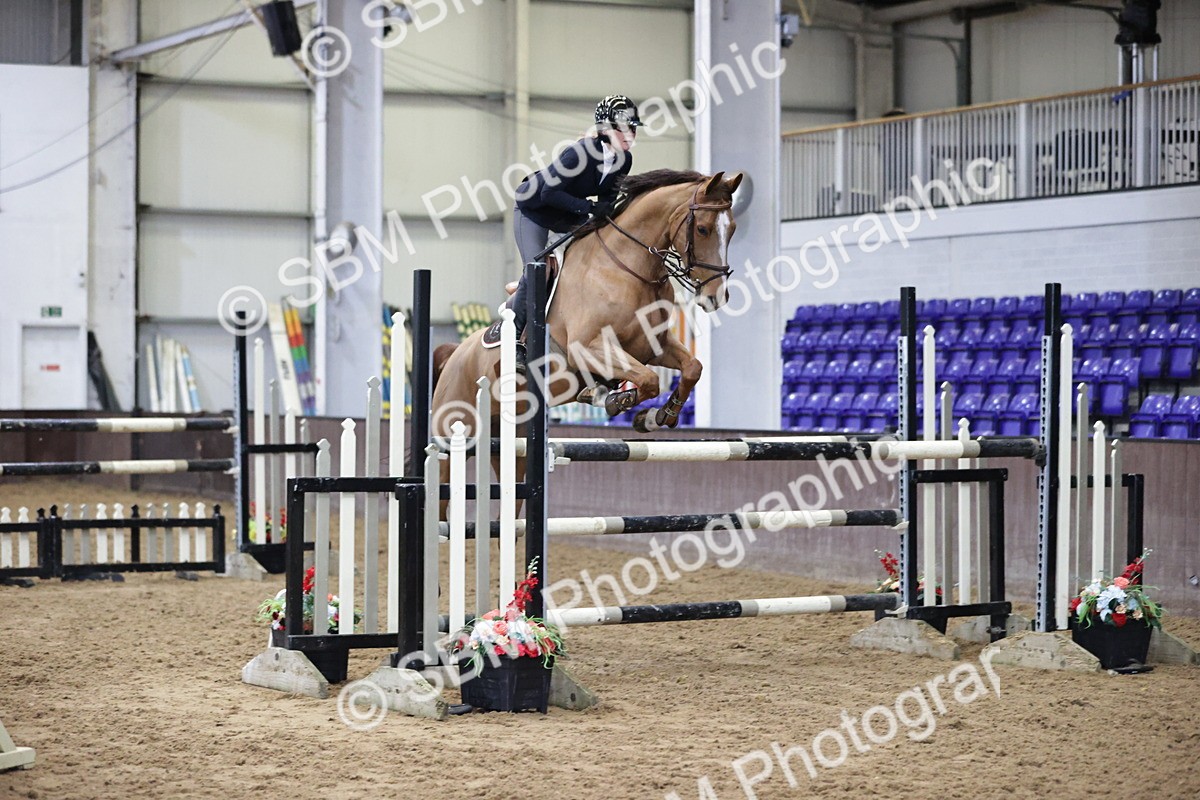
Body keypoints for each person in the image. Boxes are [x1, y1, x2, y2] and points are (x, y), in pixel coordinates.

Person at [506, 94, 642, 369]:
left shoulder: (624, 160)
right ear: (605, 130)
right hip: (535, 210)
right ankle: (513, 339)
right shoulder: (580, 153)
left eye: (633, 129)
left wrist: (604, 212)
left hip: (568, 214)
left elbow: (607, 199)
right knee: (538, 268)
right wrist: (589, 208)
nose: (630, 135)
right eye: (624, 128)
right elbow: (548, 192)